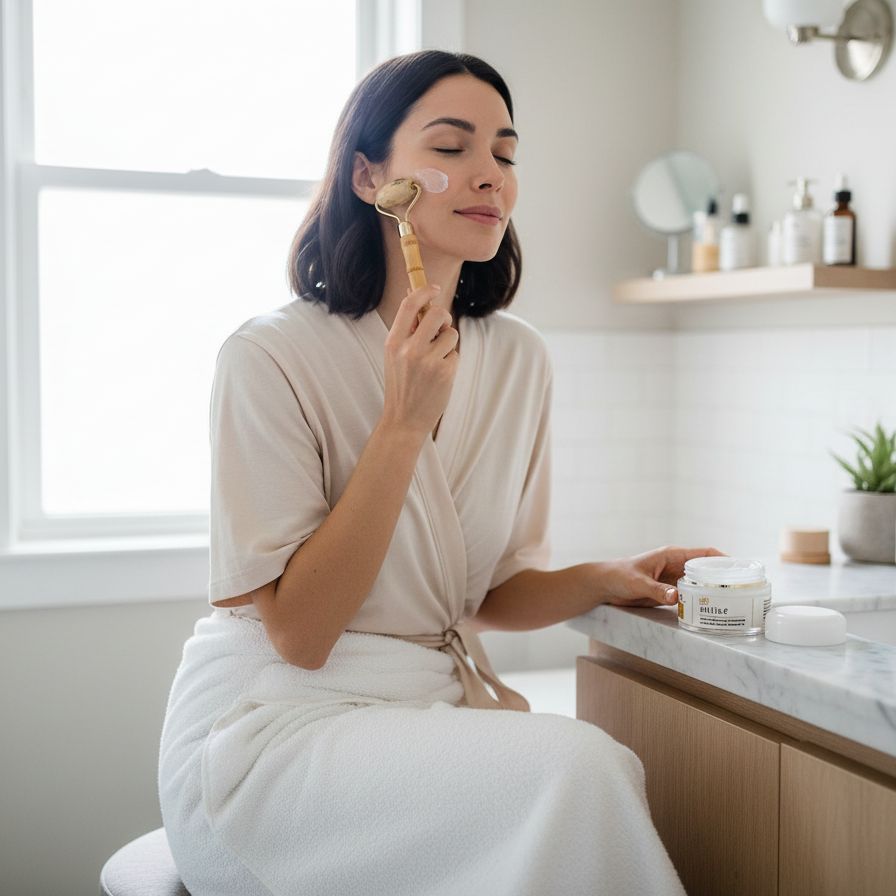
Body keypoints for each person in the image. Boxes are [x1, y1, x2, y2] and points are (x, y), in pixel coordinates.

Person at [159, 49, 717, 896]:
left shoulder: (519, 358)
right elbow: (299, 637)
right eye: (452, 148)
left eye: (506, 152)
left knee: (575, 775)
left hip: (423, 712)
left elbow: (483, 596)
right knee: (579, 767)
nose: (488, 173)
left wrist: (609, 578)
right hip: (273, 730)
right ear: (367, 175)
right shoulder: (268, 357)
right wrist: (402, 424)